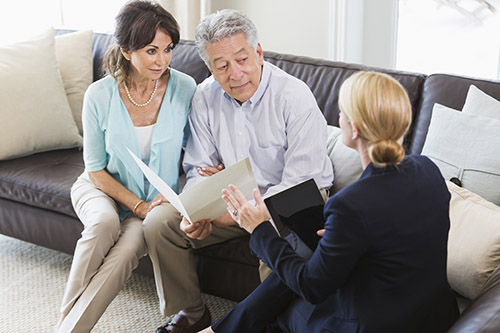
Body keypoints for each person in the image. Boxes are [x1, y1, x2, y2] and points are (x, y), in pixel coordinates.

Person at [206, 71, 460, 332]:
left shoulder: (350, 204)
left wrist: (259, 228)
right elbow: (400, 228)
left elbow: (311, 286)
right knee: (306, 258)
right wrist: (349, 236)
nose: (338, 118)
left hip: (373, 324)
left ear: (355, 128)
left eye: (341, 112)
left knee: (282, 306)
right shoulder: (428, 168)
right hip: (432, 314)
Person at [147, 9, 334, 333]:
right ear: (210, 67)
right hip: (231, 201)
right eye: (221, 66)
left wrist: (243, 213)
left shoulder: (293, 95)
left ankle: (277, 326)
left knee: (275, 243)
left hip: (292, 201)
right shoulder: (204, 97)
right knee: (159, 224)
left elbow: (302, 180)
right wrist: (199, 210)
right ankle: (191, 314)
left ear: (258, 53)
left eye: (242, 59)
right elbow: (198, 168)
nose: (235, 73)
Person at [55, 1, 196, 332]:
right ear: (127, 50)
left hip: (152, 201)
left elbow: (197, 147)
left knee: (129, 248)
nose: (162, 60)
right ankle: (65, 320)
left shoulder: (185, 88)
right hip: (100, 187)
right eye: (151, 50)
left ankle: (69, 328)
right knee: (104, 224)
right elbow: (94, 169)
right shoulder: (98, 95)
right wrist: (138, 205)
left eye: (168, 49)